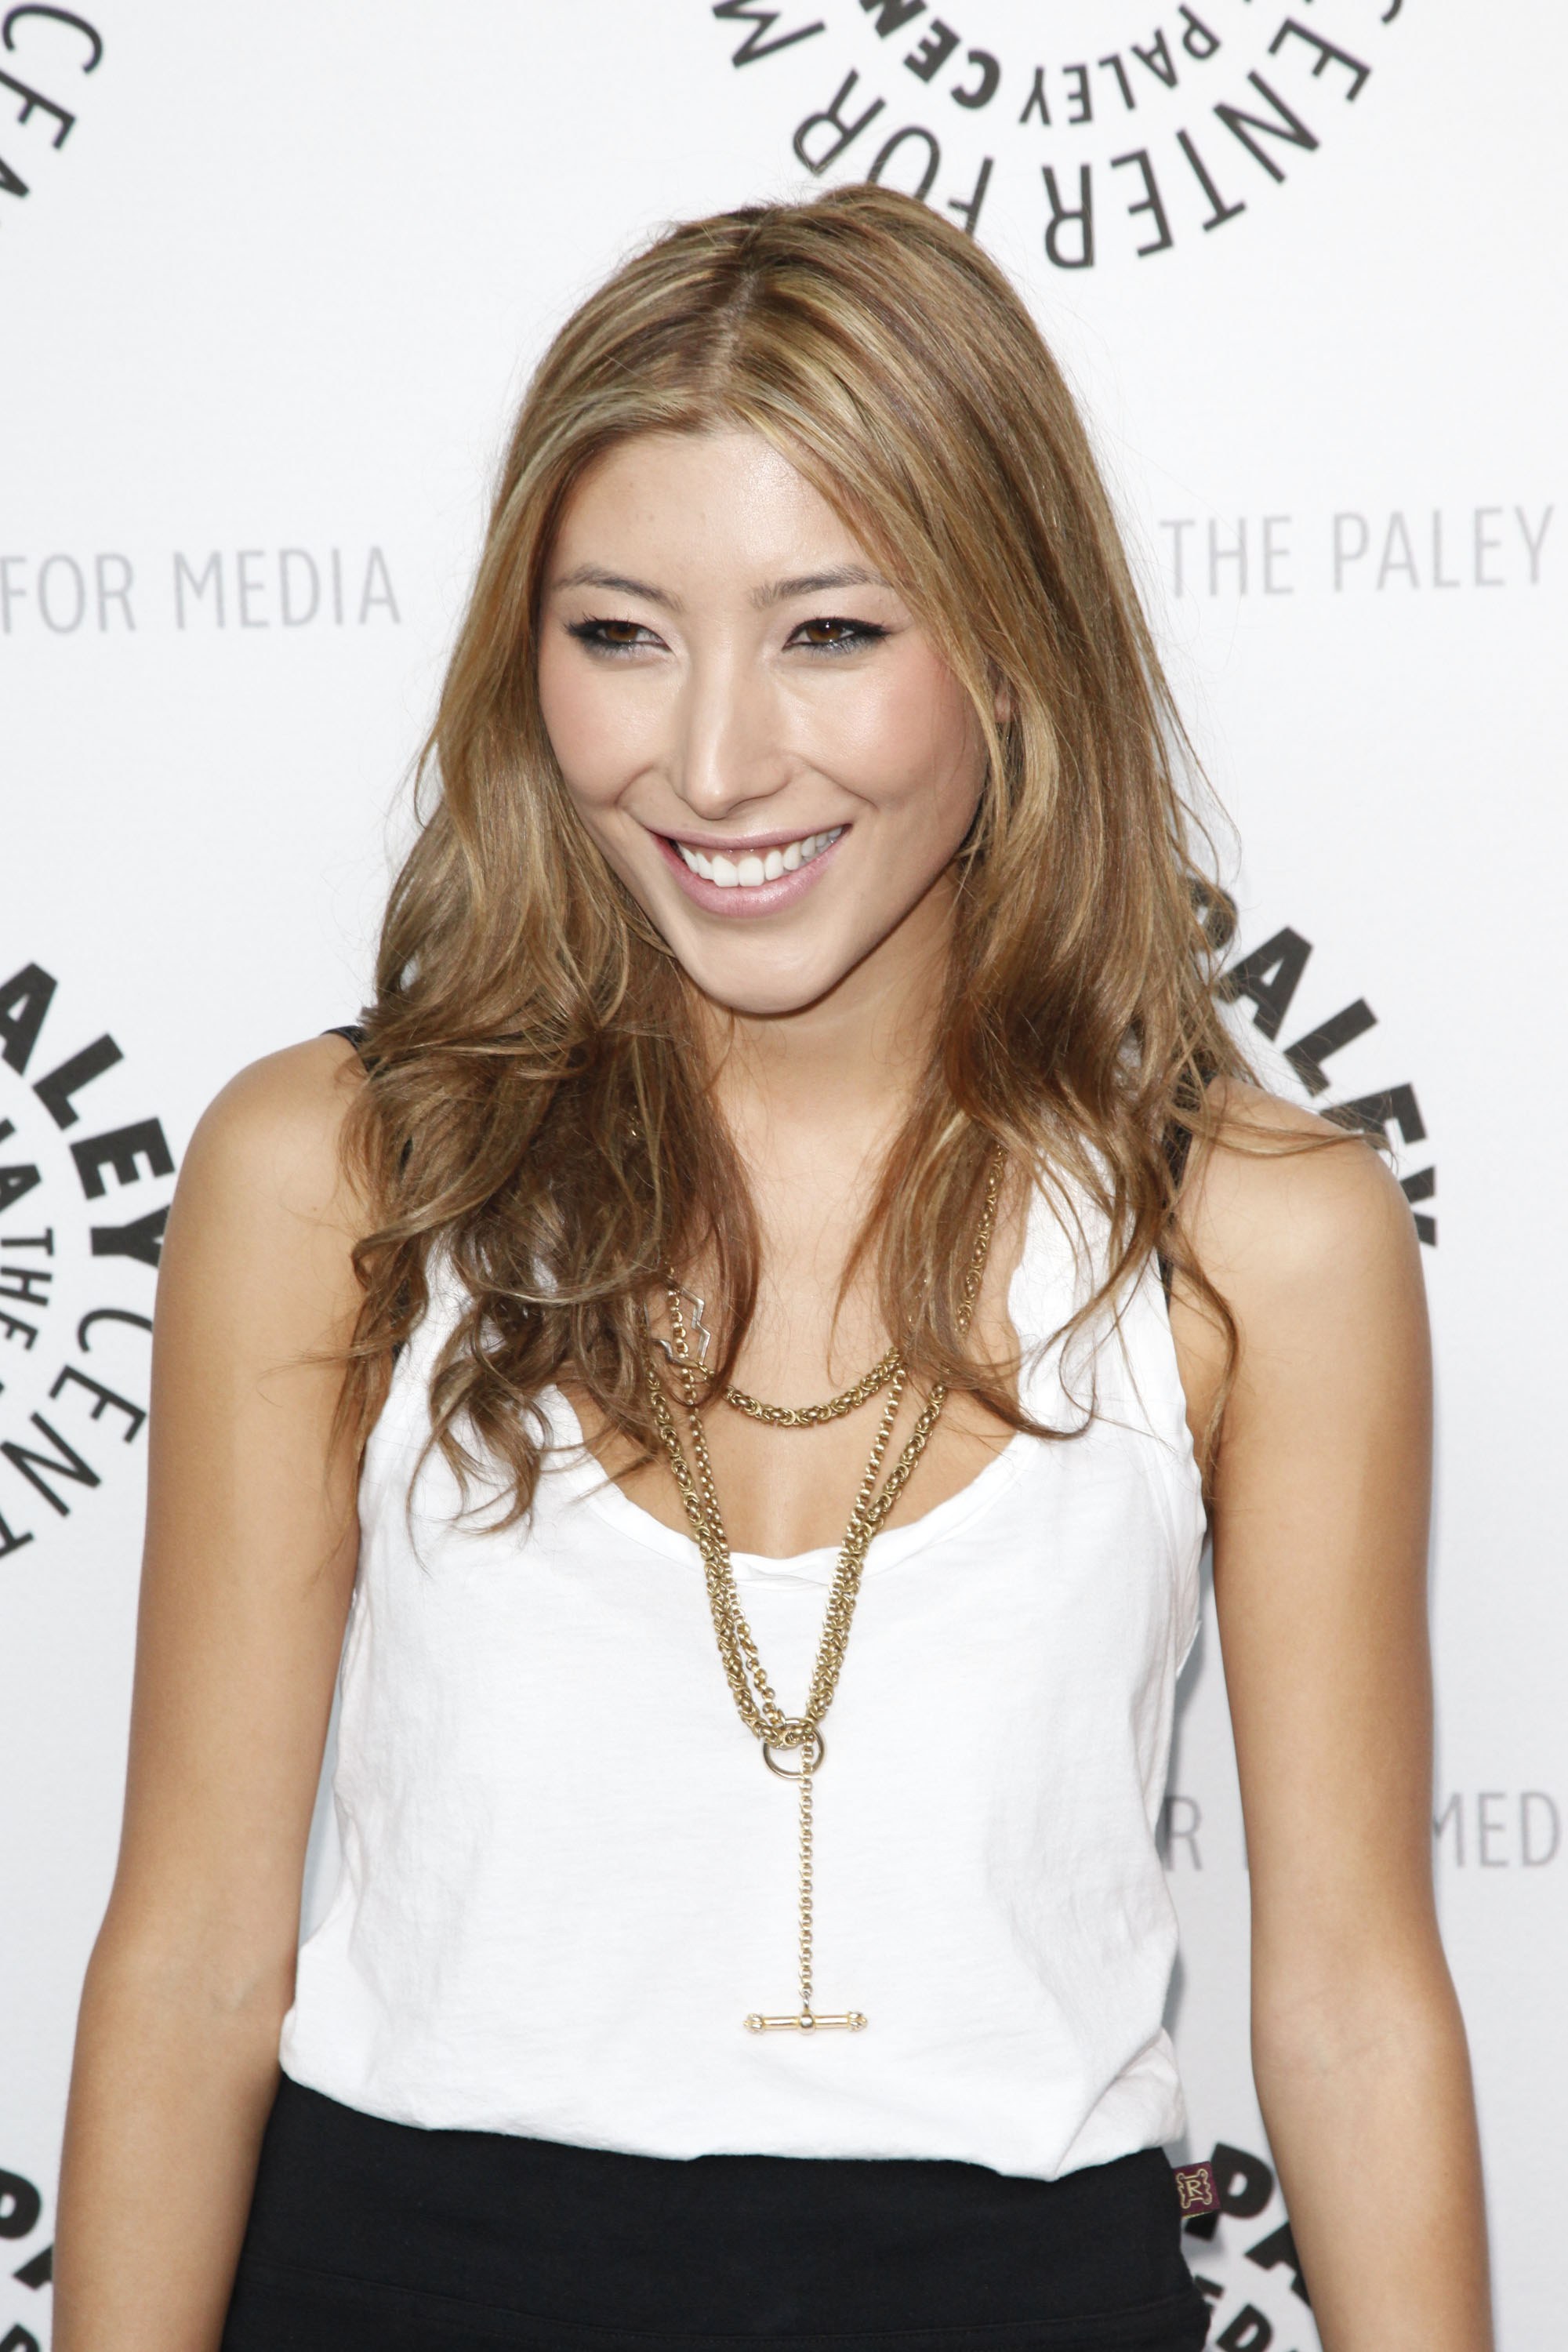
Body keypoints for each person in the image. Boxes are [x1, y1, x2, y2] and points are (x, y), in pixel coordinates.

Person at [53, 185, 1489, 2352]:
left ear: (1010, 644)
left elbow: (1356, 1999)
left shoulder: (1258, 1234)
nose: (713, 761)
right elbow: (187, 1958)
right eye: (619, 633)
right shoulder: (336, 1175)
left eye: (828, 633)